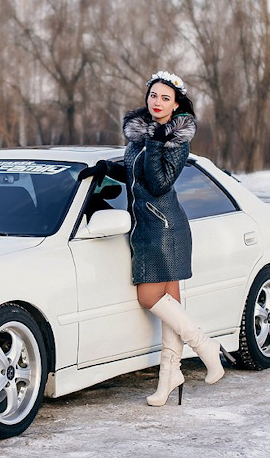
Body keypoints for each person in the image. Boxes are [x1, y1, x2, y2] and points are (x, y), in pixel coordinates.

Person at [79, 70, 233, 406]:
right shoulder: (139, 136)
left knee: (148, 299)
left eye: (165, 98)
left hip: (163, 229)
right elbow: (136, 173)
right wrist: (107, 168)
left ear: (176, 104)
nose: (157, 102)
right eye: (153, 96)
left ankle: (206, 346)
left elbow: (159, 181)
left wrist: (154, 141)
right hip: (149, 227)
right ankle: (169, 378)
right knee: (171, 309)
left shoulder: (176, 140)